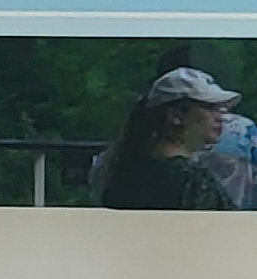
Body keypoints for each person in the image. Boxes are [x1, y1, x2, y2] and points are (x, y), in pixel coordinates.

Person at [96, 70, 243, 210]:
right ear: (175, 116)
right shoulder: (191, 180)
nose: (220, 117)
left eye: (220, 109)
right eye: (210, 107)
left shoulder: (124, 173)